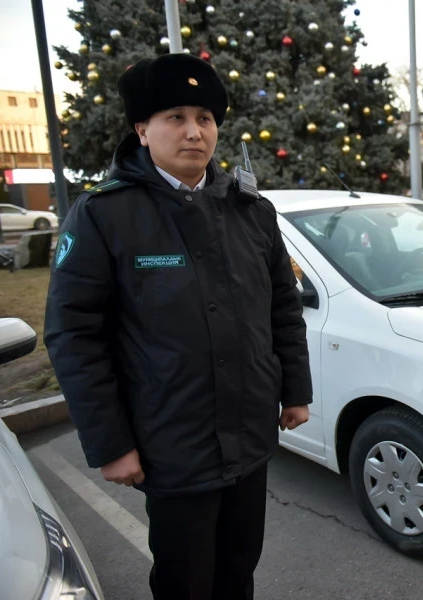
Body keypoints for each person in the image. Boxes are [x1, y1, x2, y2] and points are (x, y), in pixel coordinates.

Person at [44, 53, 312, 600]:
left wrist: (295, 390)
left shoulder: (252, 212)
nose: (194, 131)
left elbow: (283, 308)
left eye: (205, 118)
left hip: (249, 435)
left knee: (238, 569)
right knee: (184, 580)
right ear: (142, 130)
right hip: (170, 443)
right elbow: (74, 335)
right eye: (176, 117)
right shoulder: (104, 215)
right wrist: (111, 443)